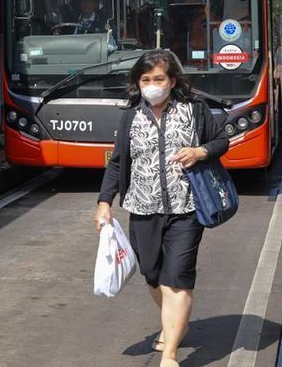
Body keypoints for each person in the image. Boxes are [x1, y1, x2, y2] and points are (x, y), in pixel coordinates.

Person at [95, 50, 230, 367]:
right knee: (153, 275)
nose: (152, 85)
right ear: (137, 83)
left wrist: (200, 151)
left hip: (187, 209)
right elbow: (118, 164)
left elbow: (222, 140)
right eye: (146, 80)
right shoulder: (131, 117)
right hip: (142, 208)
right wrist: (104, 203)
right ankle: (173, 323)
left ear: (172, 81)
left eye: (159, 79)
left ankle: (169, 353)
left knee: (178, 277)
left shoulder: (194, 110)